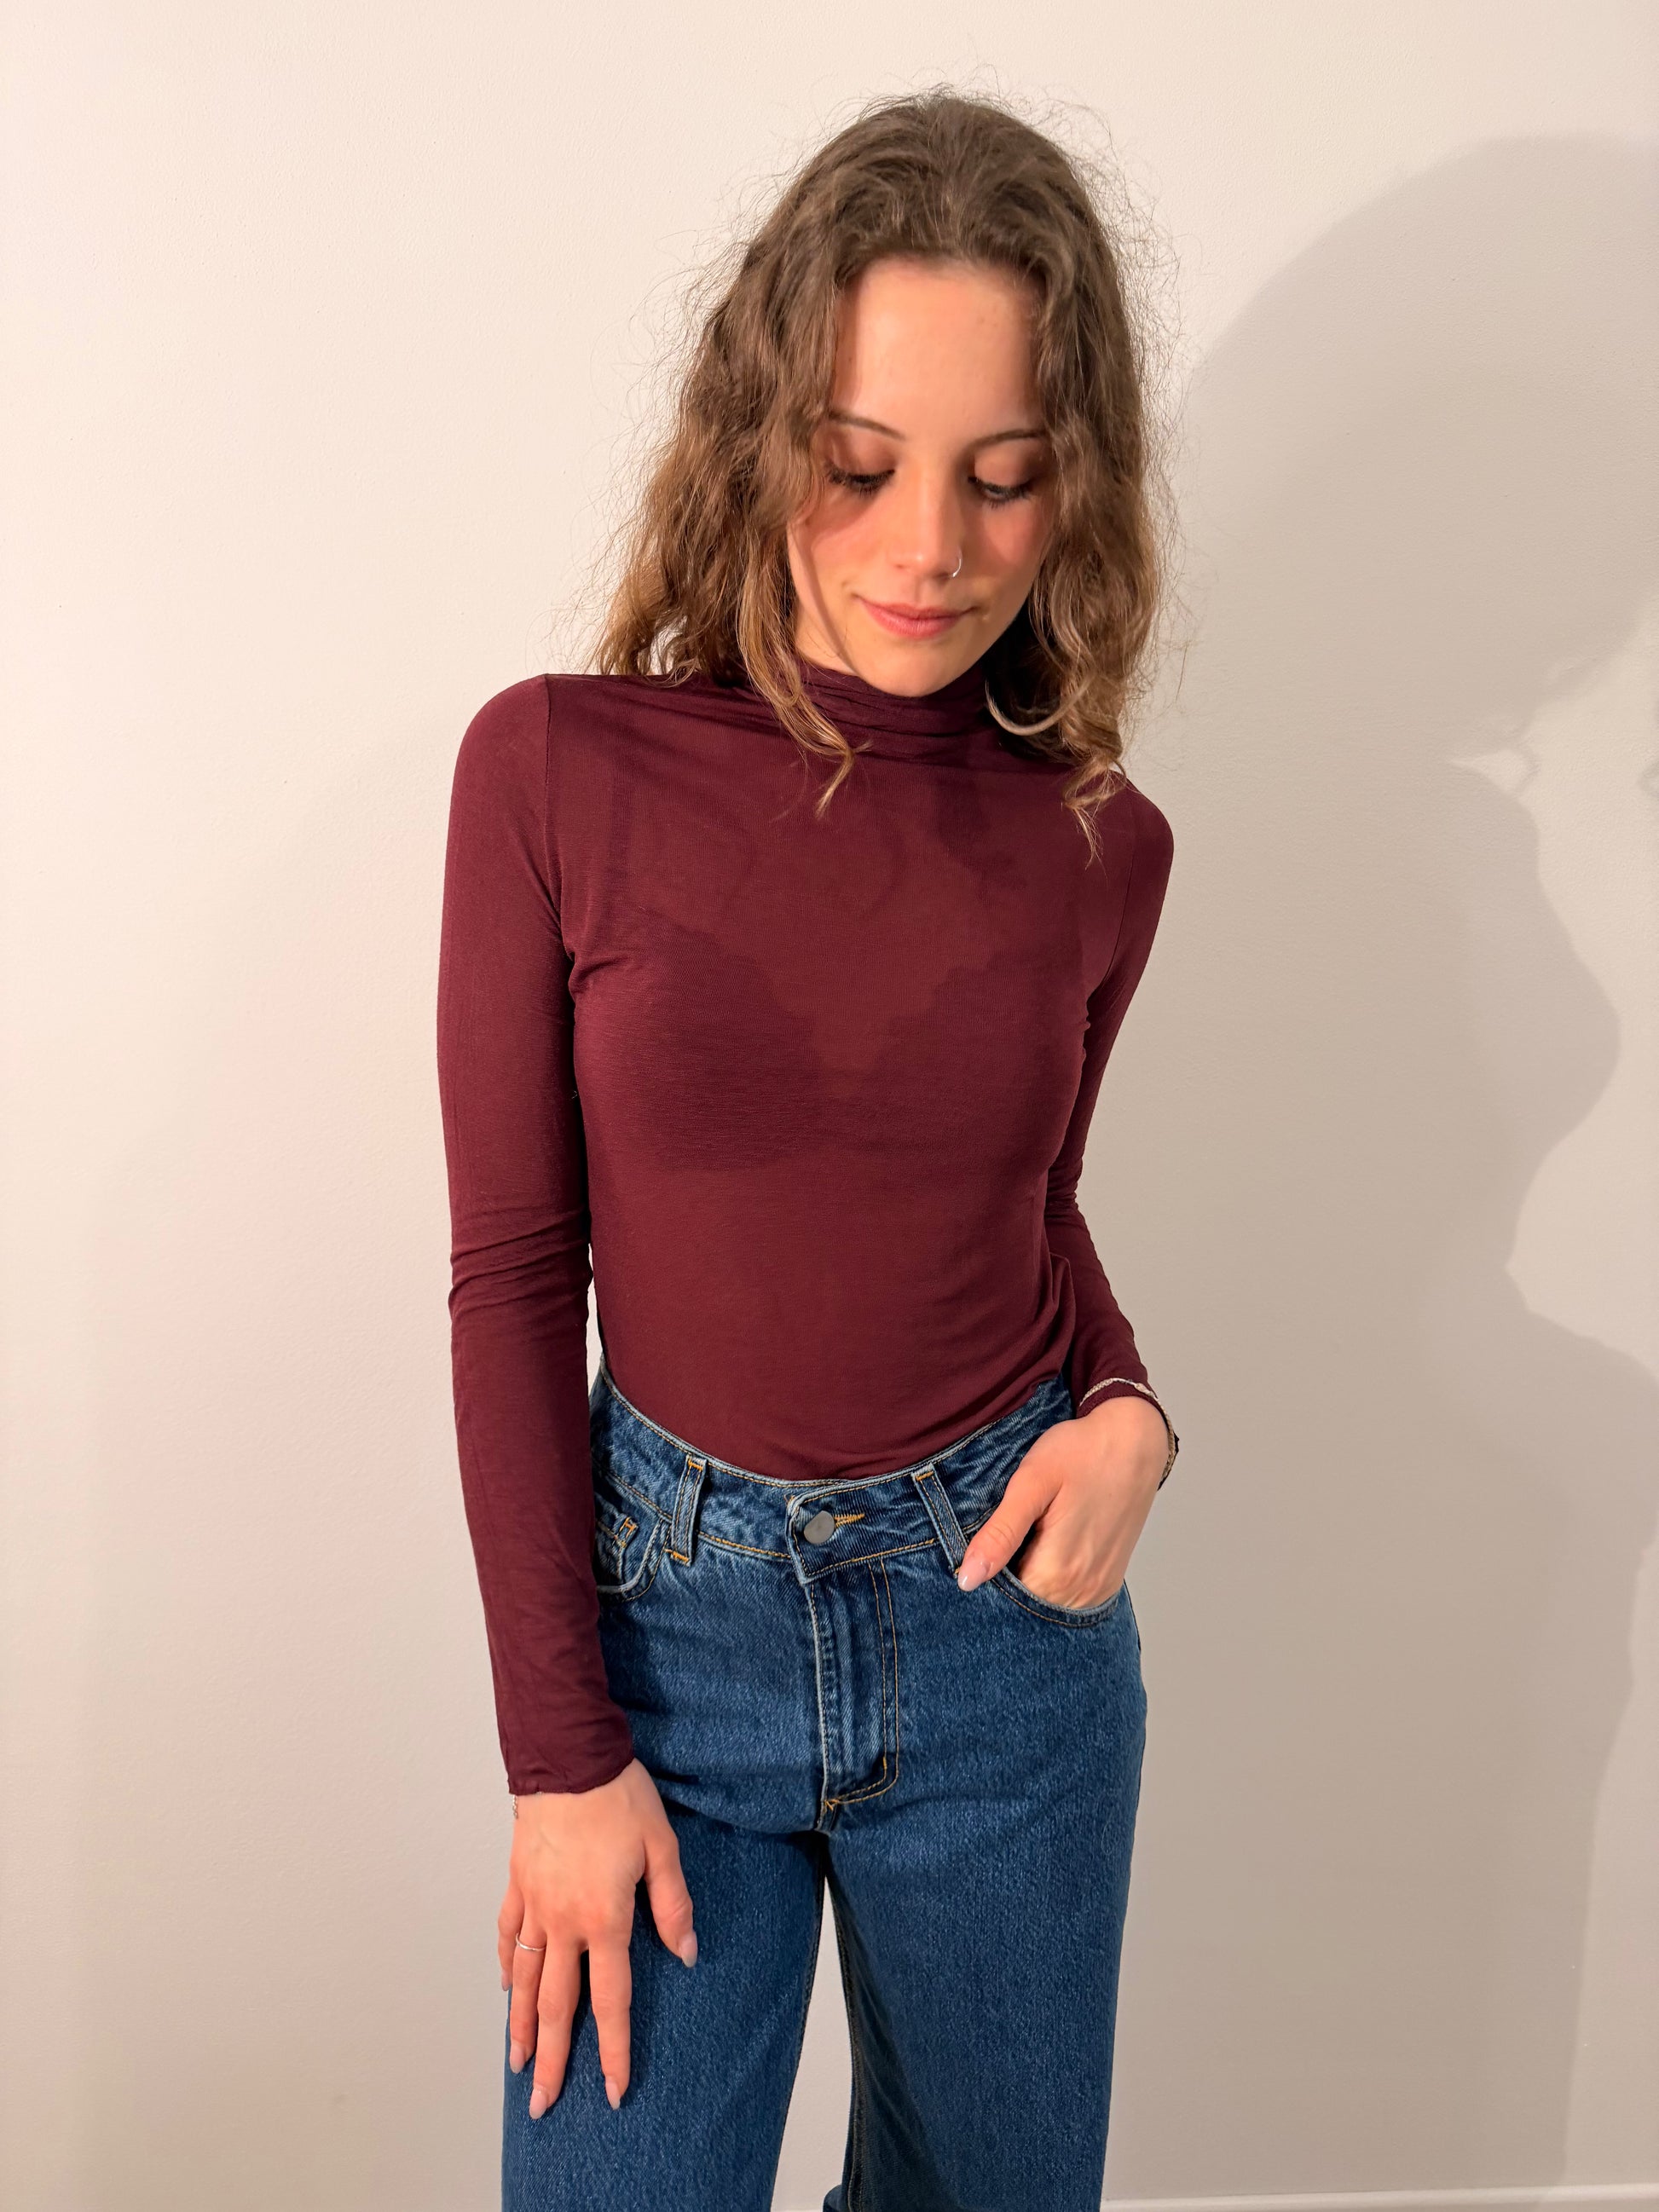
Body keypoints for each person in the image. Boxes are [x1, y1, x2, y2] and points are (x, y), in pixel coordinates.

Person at [436, 85, 1181, 2212]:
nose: (927, 546)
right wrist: (559, 1755)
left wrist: (1129, 1403)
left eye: (1002, 477)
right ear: (762, 437)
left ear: (1074, 482)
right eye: (858, 466)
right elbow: (515, 1275)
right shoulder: (554, 771)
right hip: (663, 1640)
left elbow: (1023, 1195)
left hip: (1000, 1636)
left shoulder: (1100, 844)